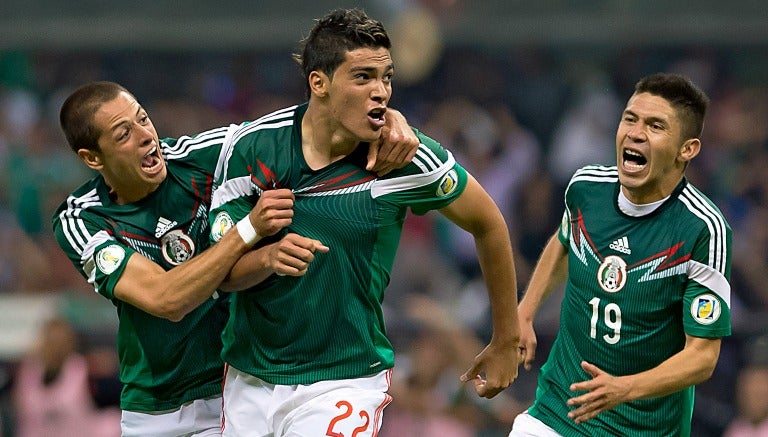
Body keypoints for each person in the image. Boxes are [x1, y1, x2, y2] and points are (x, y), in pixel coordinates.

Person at [209, 8, 521, 436]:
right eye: (363, 78)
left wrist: (506, 338)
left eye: (387, 77)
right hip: (250, 378)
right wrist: (267, 258)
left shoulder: (406, 156)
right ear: (319, 82)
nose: (381, 93)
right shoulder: (252, 148)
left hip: (344, 381)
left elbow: (489, 223)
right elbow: (219, 272)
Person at [51, 81, 419, 436]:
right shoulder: (81, 219)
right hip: (152, 408)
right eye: (123, 134)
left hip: (234, 393)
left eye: (142, 118)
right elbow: (166, 299)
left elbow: (299, 127)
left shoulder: (204, 156)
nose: (146, 135)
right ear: (92, 158)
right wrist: (247, 230)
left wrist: (383, 119)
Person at [510, 73, 732, 437]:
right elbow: (565, 242)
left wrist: (624, 388)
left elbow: (702, 358)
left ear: (687, 149)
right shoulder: (586, 188)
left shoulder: (702, 228)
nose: (636, 132)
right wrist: (525, 311)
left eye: (655, 125)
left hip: (643, 430)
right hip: (556, 413)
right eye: (630, 118)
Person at [12, 317, 120, 437]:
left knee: (113, 422)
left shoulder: (79, 368)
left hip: (78, 432)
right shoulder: (30, 370)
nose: (56, 347)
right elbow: (25, 409)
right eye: (52, 340)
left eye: (60, 340)